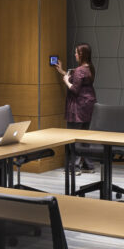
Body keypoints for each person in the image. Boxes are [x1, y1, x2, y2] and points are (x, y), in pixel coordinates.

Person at [53, 42, 97, 172]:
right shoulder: (90, 68)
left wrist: (66, 81)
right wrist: (62, 71)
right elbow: (78, 81)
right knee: (84, 136)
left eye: (76, 53)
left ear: (82, 54)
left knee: (74, 136)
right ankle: (88, 166)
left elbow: (75, 89)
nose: (75, 55)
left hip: (78, 106)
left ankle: (74, 167)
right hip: (88, 104)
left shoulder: (79, 70)